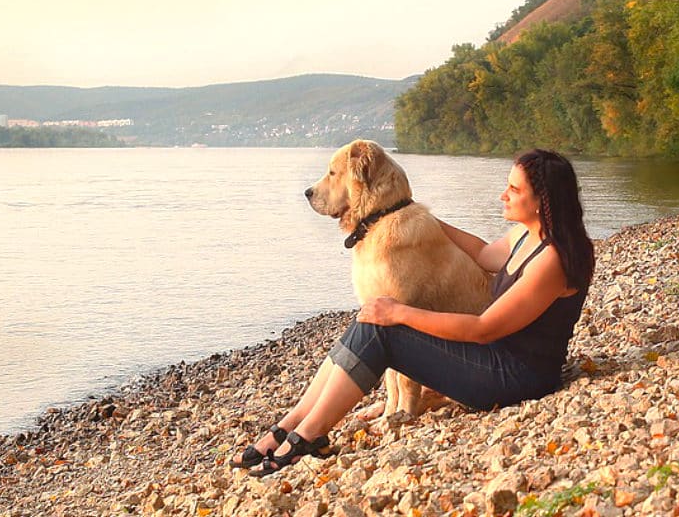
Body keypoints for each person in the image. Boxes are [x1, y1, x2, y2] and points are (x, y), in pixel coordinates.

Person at [231, 149, 595, 477]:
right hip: (497, 361)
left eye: (514, 190)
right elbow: (483, 254)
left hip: (514, 376)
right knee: (370, 320)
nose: (503, 195)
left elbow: (485, 328)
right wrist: (410, 212)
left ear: (543, 200)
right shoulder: (527, 235)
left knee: (382, 326)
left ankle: (307, 435)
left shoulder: (553, 259)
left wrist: (400, 313)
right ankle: (291, 425)